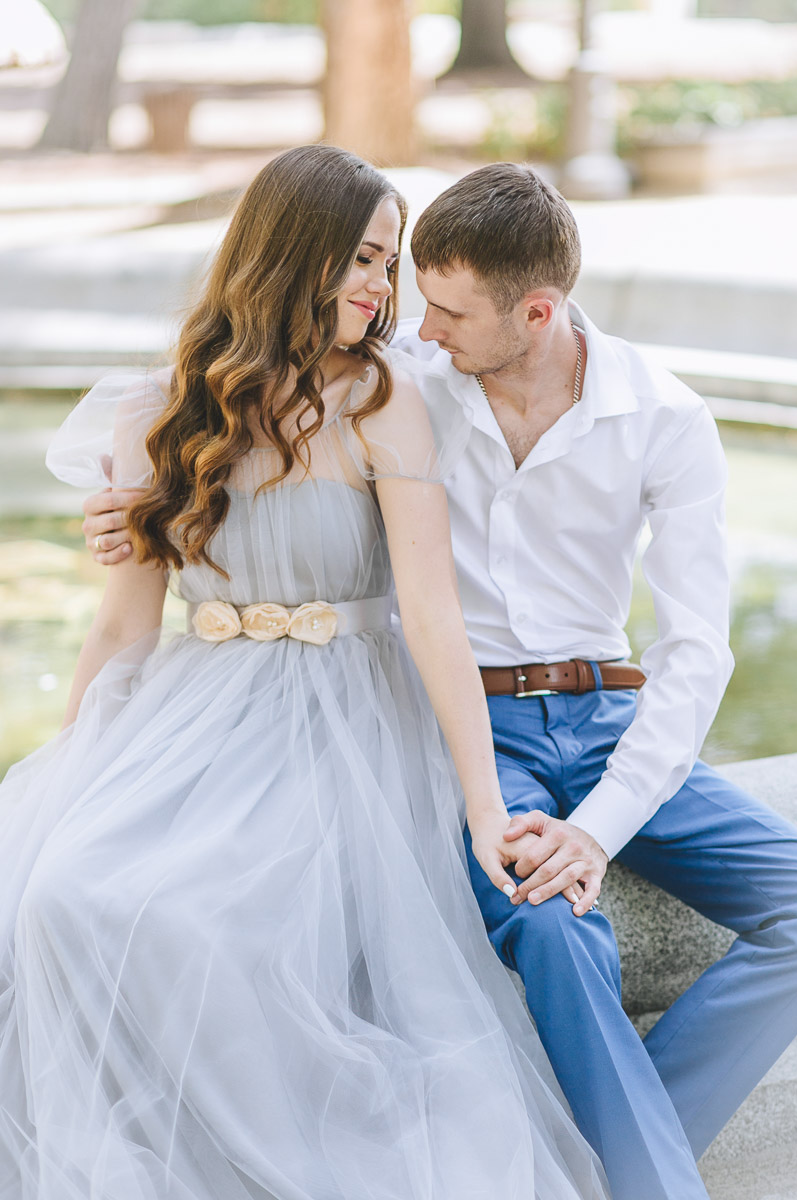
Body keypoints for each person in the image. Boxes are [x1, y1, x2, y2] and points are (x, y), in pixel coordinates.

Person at [85, 162, 797, 1200]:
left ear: (538, 309)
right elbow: (246, 436)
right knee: (553, 929)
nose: (416, 323)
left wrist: (596, 828)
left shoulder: (661, 416)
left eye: (449, 308)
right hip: (475, 723)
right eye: (413, 291)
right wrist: (124, 516)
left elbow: (696, 651)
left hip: (607, 713)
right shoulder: (403, 384)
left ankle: (603, 1165)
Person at [0, 146, 611, 1200]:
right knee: (60, 891)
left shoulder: (382, 401)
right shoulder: (162, 410)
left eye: (387, 264)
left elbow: (429, 613)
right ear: (294, 253)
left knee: (219, 923)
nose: (382, 288)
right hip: (200, 710)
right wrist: (74, 766)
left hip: (346, 717)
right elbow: (121, 628)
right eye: (366, 259)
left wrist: (478, 808)